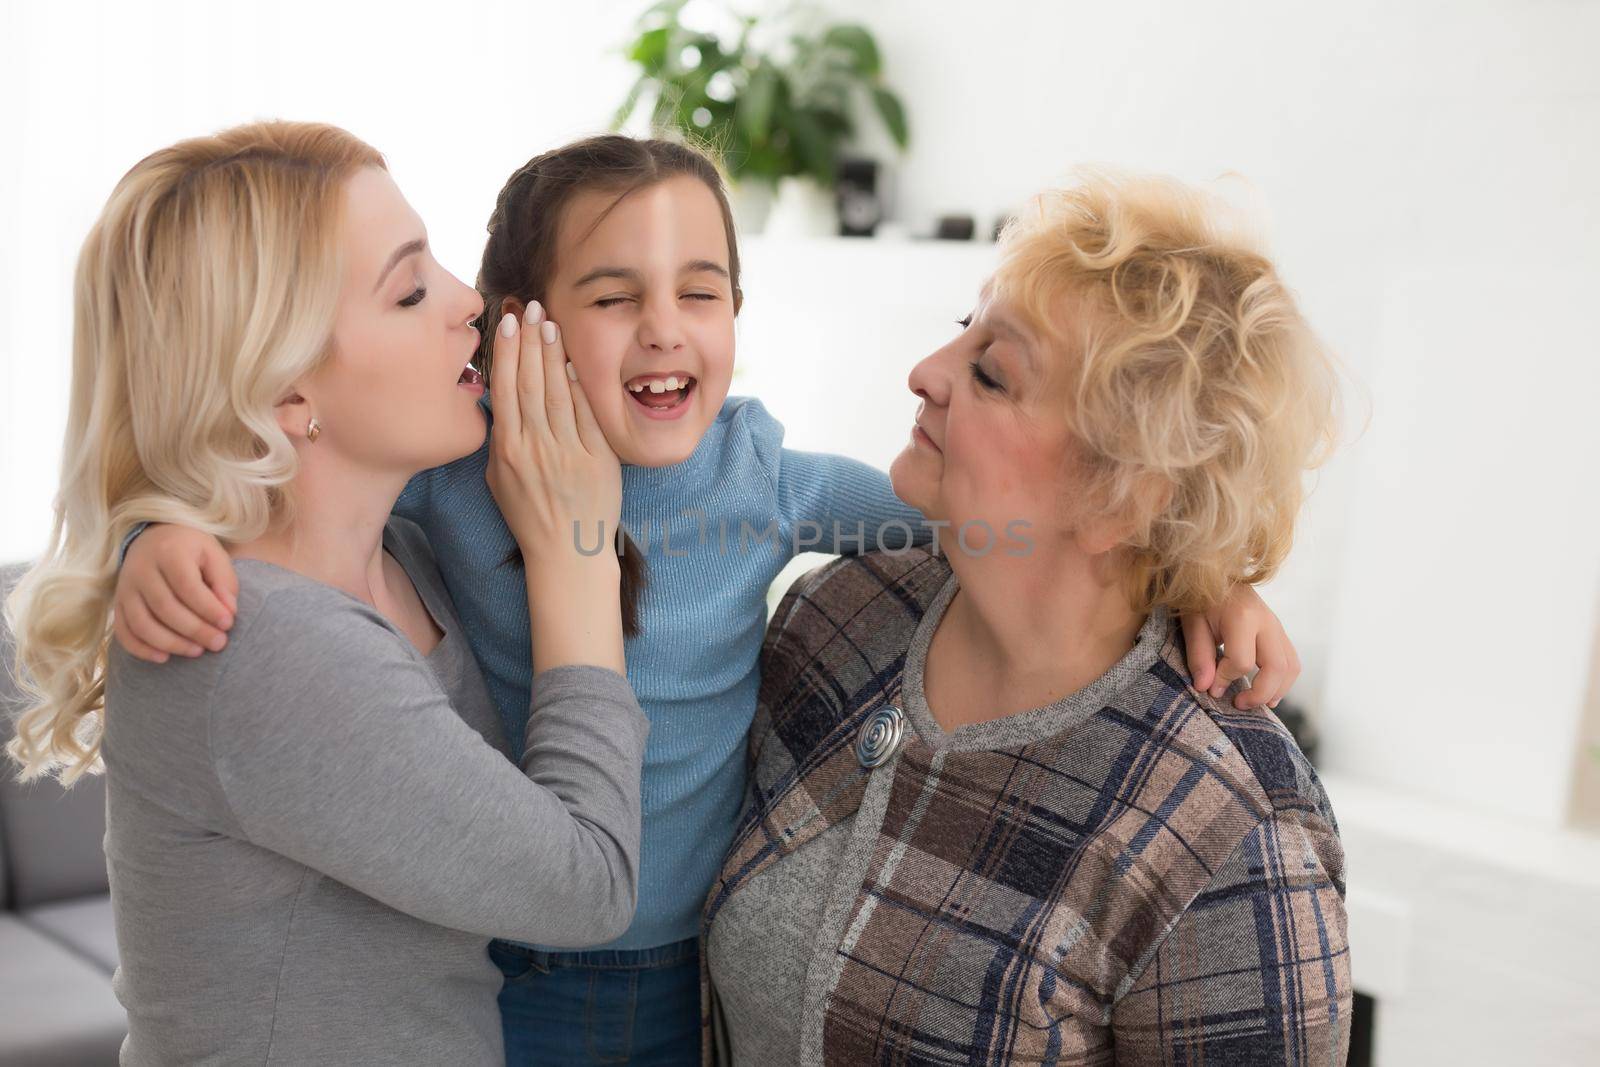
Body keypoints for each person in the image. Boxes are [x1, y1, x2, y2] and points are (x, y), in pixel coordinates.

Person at [111, 137, 1305, 1064]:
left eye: (704, 291)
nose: (667, 330)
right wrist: (159, 532)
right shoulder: (448, 482)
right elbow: (267, 482)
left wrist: (1207, 574)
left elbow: (1003, 525)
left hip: (686, 968)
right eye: (614, 294)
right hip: (503, 949)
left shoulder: (763, 482)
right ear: (518, 324)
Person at [4, 121, 647, 1065]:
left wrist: (154, 529)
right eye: (410, 289)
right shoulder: (265, 640)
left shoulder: (404, 556)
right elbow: (588, 886)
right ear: (283, 392)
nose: (473, 303)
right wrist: (580, 558)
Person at [704, 170, 1350, 1064]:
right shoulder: (838, 618)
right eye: (961, 331)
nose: (925, 373)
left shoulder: (1229, 834)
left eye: (993, 373)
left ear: (1120, 494)